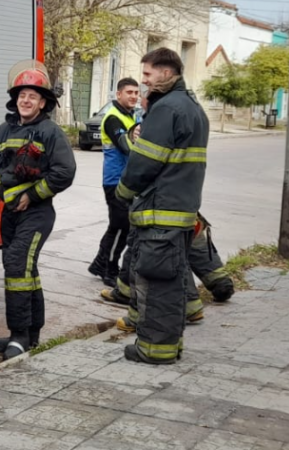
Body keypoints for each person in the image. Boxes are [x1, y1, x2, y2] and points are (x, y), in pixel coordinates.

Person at [114, 47, 209, 364]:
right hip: (179, 212)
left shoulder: (167, 108)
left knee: (156, 283)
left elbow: (144, 163)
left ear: (167, 73)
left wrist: (123, 192)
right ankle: (168, 345)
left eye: (147, 75)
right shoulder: (191, 106)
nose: (143, 82)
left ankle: (155, 350)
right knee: (169, 278)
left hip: (160, 211)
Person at [0, 60, 77, 360]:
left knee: (16, 267)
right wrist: (0, 184)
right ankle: (30, 333)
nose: (26, 100)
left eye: (33, 96)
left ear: (43, 102)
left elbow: (64, 172)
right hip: (9, 214)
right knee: (26, 271)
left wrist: (32, 194)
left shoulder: (50, 132)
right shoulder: (2, 131)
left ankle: (19, 335)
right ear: (15, 99)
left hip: (36, 214)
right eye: (22, 94)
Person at [111, 212, 236, 332]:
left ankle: (188, 305)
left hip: (161, 215)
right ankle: (220, 282)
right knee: (191, 241)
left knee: (153, 249)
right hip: (188, 212)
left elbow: (129, 191)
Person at [88, 78, 142, 288]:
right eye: (129, 92)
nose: (134, 96)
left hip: (126, 181)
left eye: (137, 92)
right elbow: (125, 146)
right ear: (118, 94)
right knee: (122, 226)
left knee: (117, 226)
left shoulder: (132, 116)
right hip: (115, 182)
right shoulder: (113, 118)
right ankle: (109, 269)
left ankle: (99, 263)